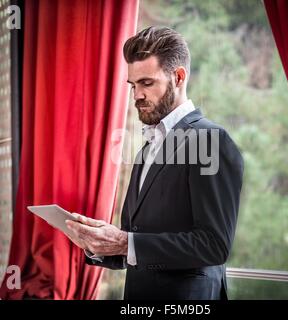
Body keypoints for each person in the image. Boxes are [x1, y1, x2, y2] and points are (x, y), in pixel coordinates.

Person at [66, 26, 244, 300]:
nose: (137, 95)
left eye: (147, 83)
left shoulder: (211, 140)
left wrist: (126, 242)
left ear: (179, 77)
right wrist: (99, 243)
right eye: (133, 85)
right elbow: (137, 243)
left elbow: (214, 245)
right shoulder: (146, 150)